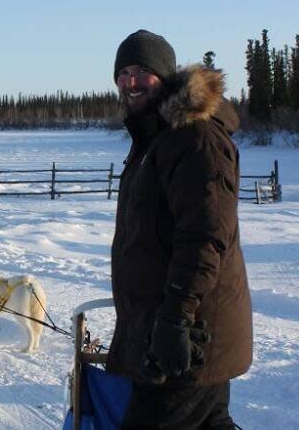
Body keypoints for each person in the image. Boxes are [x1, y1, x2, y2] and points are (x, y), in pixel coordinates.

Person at [106, 29, 253, 429]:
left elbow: (204, 236)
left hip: (191, 336)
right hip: (177, 332)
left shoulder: (193, 137)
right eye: (123, 73)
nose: (130, 82)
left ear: (165, 75)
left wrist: (176, 320)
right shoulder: (157, 138)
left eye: (141, 71)